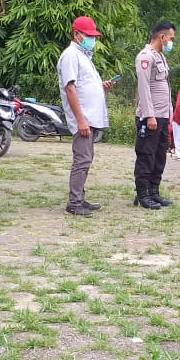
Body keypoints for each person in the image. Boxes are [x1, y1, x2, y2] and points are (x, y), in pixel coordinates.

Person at [56, 15, 115, 216]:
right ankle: (74, 203)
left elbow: (83, 86)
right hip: (84, 118)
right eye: (88, 35)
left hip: (89, 117)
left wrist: (101, 87)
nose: (92, 39)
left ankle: (80, 197)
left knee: (86, 159)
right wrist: (81, 119)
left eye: (93, 35)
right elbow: (70, 88)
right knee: (82, 160)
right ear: (76, 35)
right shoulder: (71, 55)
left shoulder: (84, 56)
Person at [134, 20, 177, 209]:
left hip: (162, 116)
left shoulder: (160, 57)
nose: (171, 41)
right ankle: (142, 195)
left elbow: (164, 88)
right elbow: (144, 89)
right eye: (171, 38)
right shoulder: (145, 57)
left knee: (159, 156)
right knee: (146, 155)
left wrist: (169, 114)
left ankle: (153, 192)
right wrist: (149, 115)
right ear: (162, 37)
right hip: (150, 117)